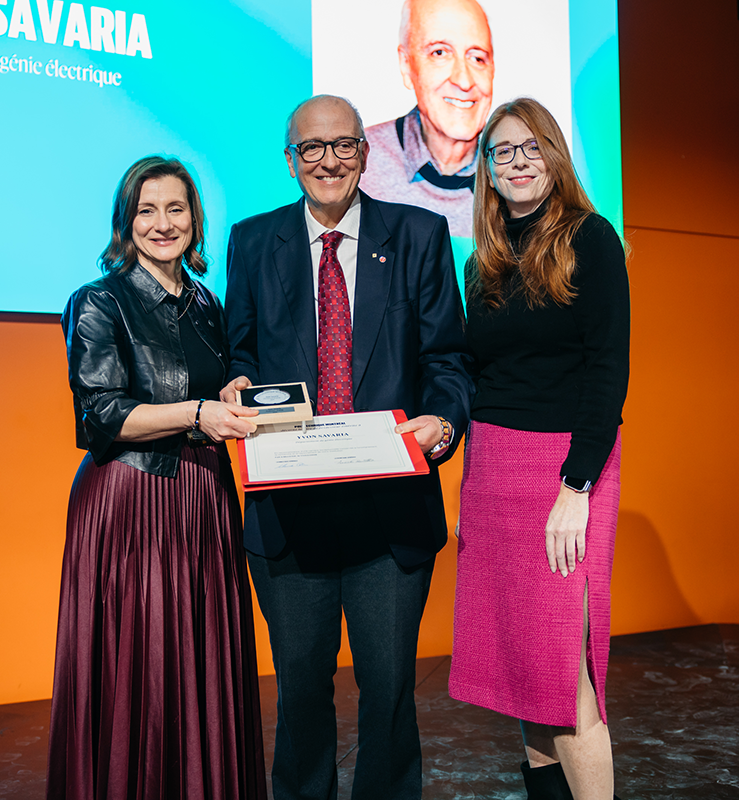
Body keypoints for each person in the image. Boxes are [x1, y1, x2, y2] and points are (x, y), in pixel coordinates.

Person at [220, 94, 473, 800]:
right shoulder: (251, 241)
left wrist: (442, 425)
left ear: (365, 151)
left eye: (342, 145)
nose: (327, 160)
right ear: (290, 160)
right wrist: (236, 382)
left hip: (390, 515)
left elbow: (448, 362)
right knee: (299, 691)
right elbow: (239, 352)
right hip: (289, 513)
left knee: (389, 690)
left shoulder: (420, 234)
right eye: (311, 148)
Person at [48, 156, 268, 800]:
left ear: (195, 220)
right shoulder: (97, 301)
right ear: (126, 221)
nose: (163, 223)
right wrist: (199, 411)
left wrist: (229, 392)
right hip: (130, 501)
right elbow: (101, 414)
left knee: (202, 663)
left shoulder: (208, 303)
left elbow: (214, 393)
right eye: (147, 210)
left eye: (176, 208)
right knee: (136, 668)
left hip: (205, 497)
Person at [448, 97, 630, 800]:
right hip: (493, 469)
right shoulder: (483, 262)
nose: (517, 163)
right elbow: (481, 377)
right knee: (525, 674)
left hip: (565, 472)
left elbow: (608, 373)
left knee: (564, 673)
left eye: (530, 148)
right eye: (502, 152)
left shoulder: (592, 238)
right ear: (487, 169)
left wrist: (575, 488)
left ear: (553, 157)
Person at [359, 0, 495, 238]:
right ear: (406, 64)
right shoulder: (360, 164)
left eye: (478, 58)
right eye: (439, 52)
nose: (464, 81)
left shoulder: (514, 172)